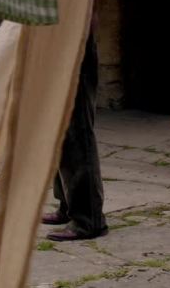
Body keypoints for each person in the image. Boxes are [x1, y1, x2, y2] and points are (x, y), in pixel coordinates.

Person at [42, 27, 109, 241]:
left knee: (76, 132)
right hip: (55, 42)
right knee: (59, 131)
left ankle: (88, 219)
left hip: (73, 42)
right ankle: (68, 206)